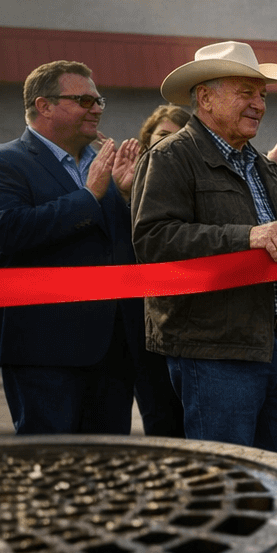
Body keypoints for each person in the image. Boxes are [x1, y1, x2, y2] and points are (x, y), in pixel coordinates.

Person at [132, 41, 277, 461]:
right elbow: (154, 241)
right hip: (216, 352)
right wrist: (245, 237)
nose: (259, 104)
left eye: (262, 94)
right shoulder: (170, 157)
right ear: (205, 97)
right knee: (228, 480)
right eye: (246, 93)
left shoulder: (265, 167)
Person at [0, 60, 142, 434]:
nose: (97, 109)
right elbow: (9, 232)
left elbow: (121, 245)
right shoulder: (0, 163)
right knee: (49, 464)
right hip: (45, 352)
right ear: (44, 105)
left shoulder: (105, 167)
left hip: (114, 351)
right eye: (84, 100)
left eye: (99, 100)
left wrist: (127, 197)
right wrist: (89, 195)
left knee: (109, 465)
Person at [129, 102, 192, 438]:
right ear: (146, 140)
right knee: (161, 421)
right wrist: (123, 195)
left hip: (190, 322)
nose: (170, 142)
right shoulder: (123, 183)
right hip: (145, 327)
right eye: (163, 134)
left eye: (180, 135)